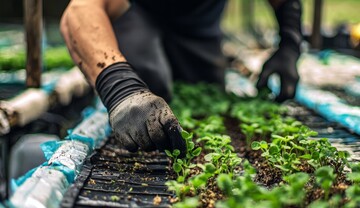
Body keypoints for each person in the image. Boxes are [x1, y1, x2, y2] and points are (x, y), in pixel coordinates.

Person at [60, 0, 302, 156]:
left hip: (199, 27)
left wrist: (290, 43)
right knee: (150, 84)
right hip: (136, 13)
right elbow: (80, 10)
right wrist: (120, 86)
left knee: (206, 96)